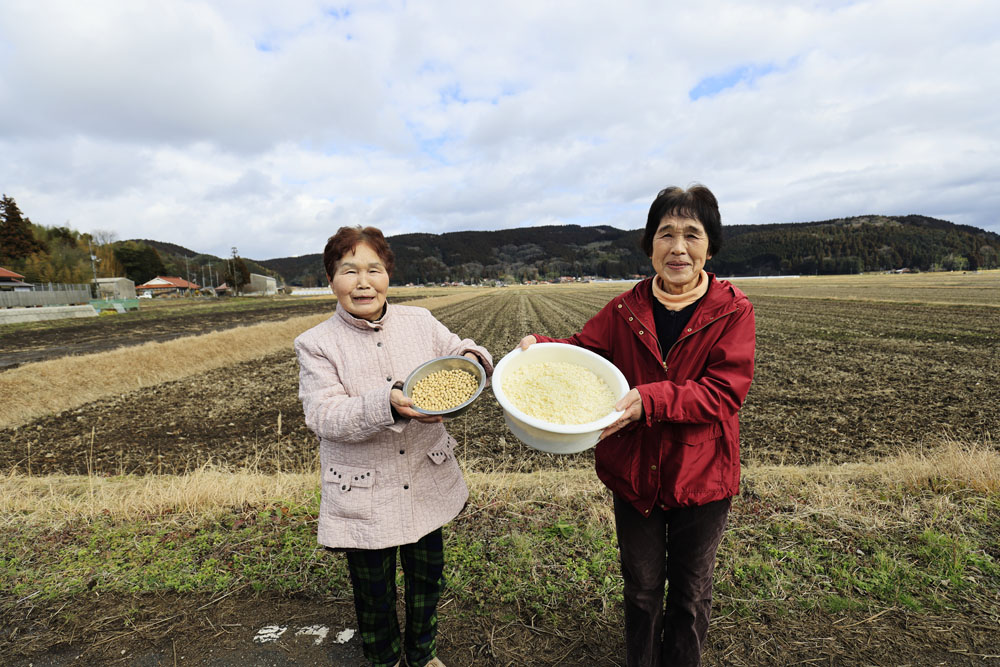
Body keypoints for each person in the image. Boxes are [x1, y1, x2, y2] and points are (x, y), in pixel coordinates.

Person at [518, 185, 755, 667]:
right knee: (643, 589)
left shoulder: (733, 312)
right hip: (635, 473)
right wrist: (538, 346)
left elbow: (724, 392)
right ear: (650, 245)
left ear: (711, 246)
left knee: (690, 593)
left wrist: (650, 400)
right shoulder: (625, 309)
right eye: (666, 234)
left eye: (693, 234)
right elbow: (583, 352)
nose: (679, 247)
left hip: (702, 475)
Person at [295, 225, 493, 667]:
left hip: (424, 476)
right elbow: (324, 415)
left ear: (388, 276)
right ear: (332, 280)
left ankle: (422, 654)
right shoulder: (317, 344)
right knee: (373, 589)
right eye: (349, 271)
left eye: (374, 269)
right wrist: (389, 405)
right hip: (366, 488)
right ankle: (383, 658)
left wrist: (474, 361)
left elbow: (463, 349)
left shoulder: (418, 322)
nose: (362, 281)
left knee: (427, 577)